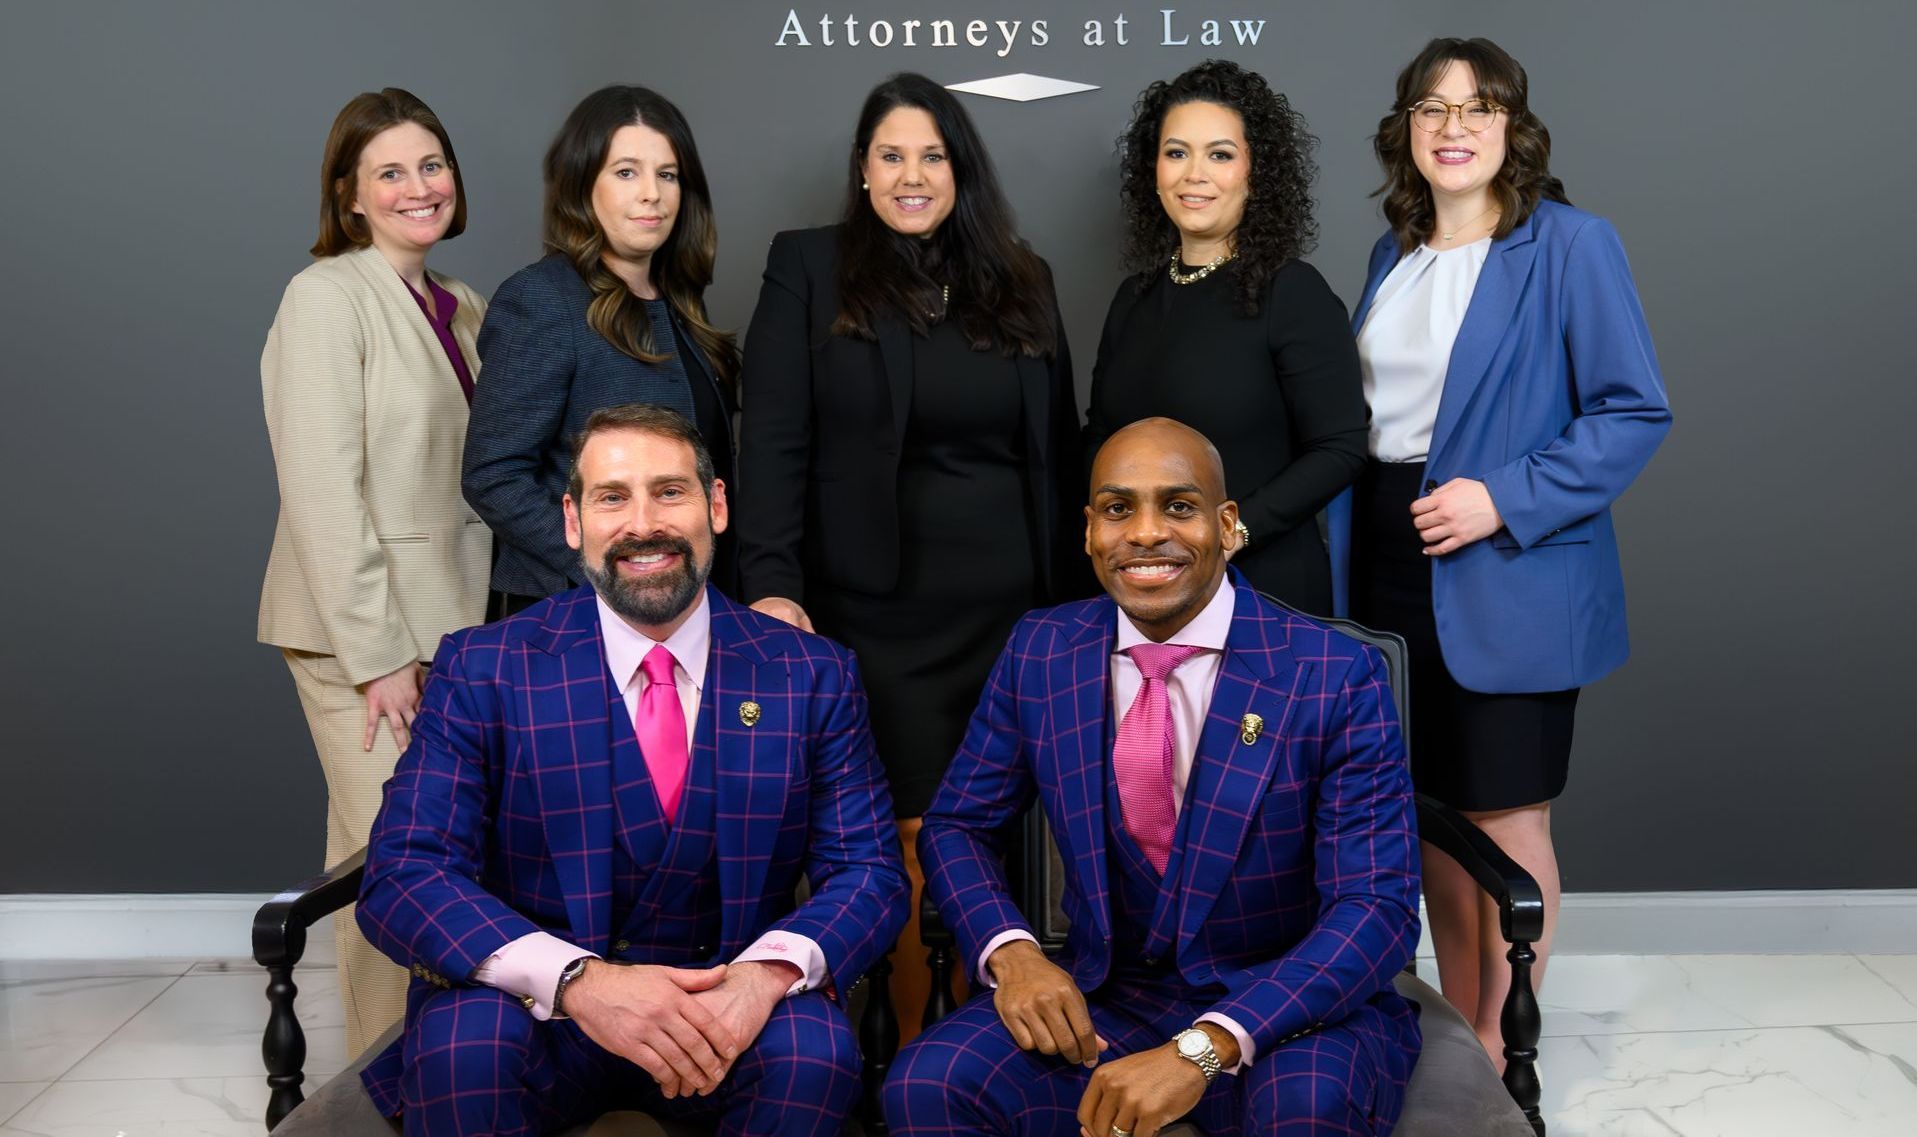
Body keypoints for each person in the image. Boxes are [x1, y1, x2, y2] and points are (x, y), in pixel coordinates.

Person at [355, 403, 909, 1136]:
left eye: (670, 491)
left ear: (715, 506)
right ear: (573, 521)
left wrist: (761, 978)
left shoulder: (810, 673)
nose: (643, 523)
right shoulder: (485, 666)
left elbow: (869, 870)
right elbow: (403, 871)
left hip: (723, 1008)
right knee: (464, 1046)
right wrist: (578, 981)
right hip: (537, 1012)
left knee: (814, 1050)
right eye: (612, 496)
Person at [885, 419, 1421, 1137]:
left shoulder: (1330, 674)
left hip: (1288, 1011)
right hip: (1107, 996)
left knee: (1306, 1113)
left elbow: (1376, 906)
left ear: (1227, 525)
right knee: (927, 1085)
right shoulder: (1042, 650)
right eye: (1116, 508)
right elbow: (956, 825)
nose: (1143, 532)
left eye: (1177, 505)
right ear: (1088, 531)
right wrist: (1011, 951)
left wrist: (1206, 1046)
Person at [1331, 36, 1672, 1065]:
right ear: (1406, 132)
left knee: (1508, 814)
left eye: (1478, 107)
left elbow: (1633, 410)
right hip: (1388, 562)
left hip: (1508, 563)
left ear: (1513, 129)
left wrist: (1503, 500)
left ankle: (1495, 1046)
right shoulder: (1391, 256)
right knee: (1429, 810)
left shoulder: (1571, 245)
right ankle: (1459, 1029)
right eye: (1432, 109)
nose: (1454, 127)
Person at [736, 72, 1083, 1035]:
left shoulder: (1024, 276)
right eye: (890, 154)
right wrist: (770, 584)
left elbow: (1056, 450)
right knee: (910, 840)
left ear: (961, 168)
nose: (911, 173)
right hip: (880, 618)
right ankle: (913, 1054)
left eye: (931, 154)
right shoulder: (808, 267)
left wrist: (1075, 605)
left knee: (1007, 839)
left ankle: (996, 1052)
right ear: (862, 168)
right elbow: (769, 439)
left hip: (1012, 618)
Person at [257, 88, 489, 1056]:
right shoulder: (326, 296)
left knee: (376, 855)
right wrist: (379, 655)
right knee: (398, 866)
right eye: (388, 172)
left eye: (430, 165)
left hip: (447, 627)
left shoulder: (460, 303)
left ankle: (405, 1063)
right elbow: (321, 488)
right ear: (349, 195)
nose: (417, 187)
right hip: (362, 637)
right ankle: (385, 1084)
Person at [1087, 60, 1367, 615]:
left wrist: (1229, 533)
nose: (1195, 174)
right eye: (1176, 152)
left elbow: (1340, 447)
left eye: (1220, 154)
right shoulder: (1132, 300)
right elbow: (1098, 441)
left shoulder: (1292, 293)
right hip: (1144, 590)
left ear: (1255, 173)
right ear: (1154, 171)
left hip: (1261, 589)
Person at [464, 85, 740, 619]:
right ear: (582, 184)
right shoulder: (543, 299)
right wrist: (613, 561)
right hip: (577, 608)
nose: (651, 194)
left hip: (685, 607)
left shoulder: (681, 307)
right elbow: (493, 474)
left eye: (667, 175)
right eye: (626, 172)